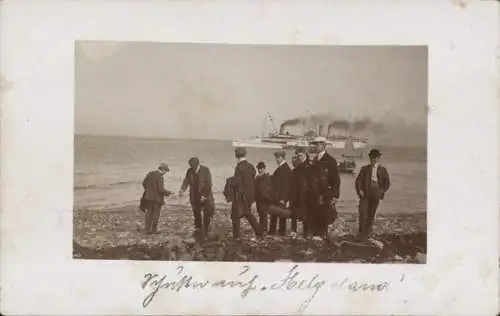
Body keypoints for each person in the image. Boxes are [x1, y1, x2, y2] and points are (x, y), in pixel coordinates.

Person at [355, 148, 391, 241]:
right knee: (363, 213)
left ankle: (367, 233)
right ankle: (361, 232)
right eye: (372, 158)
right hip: (366, 193)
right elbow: (358, 181)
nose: (374, 159)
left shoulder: (383, 170)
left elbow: (387, 183)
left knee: (371, 214)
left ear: (378, 158)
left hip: (376, 193)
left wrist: (382, 191)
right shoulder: (365, 169)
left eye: (376, 158)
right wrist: (360, 190)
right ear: (370, 158)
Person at [230, 147, 263, 240]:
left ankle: (237, 237)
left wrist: (230, 181)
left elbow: (237, 182)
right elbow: (251, 177)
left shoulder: (239, 168)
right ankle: (259, 232)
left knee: (235, 216)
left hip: (241, 196)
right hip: (250, 195)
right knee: (247, 213)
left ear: (236, 155)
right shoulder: (251, 166)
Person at [311, 136, 341, 237]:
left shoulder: (330, 161)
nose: (315, 146)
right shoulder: (315, 160)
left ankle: (323, 236)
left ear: (323, 145)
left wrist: (335, 196)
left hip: (325, 193)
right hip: (315, 193)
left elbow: (335, 180)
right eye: (315, 144)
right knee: (316, 215)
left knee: (324, 216)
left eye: (317, 144)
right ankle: (317, 236)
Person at [179, 157, 215, 239]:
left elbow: (209, 184)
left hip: (205, 195)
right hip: (194, 196)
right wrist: (182, 189)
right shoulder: (189, 171)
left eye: (195, 167)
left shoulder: (205, 170)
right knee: (196, 212)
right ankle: (198, 228)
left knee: (207, 213)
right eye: (192, 166)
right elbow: (186, 181)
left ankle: (206, 229)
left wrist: (204, 196)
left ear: (198, 164)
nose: (193, 168)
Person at [140, 163, 173, 234]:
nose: (165, 173)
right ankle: (154, 230)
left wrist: (149, 190)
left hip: (148, 197)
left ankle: (147, 230)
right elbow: (161, 190)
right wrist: (169, 192)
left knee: (148, 213)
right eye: (166, 171)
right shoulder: (160, 177)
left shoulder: (150, 174)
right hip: (157, 199)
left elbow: (144, 183)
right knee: (156, 214)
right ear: (163, 170)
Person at [269, 150, 292, 236]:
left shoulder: (285, 168)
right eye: (276, 157)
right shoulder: (283, 168)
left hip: (280, 196)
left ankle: (279, 231)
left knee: (281, 214)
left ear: (281, 158)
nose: (276, 159)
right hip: (277, 195)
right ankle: (274, 231)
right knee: (276, 213)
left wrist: (284, 198)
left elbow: (287, 185)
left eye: (277, 158)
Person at [289, 150, 309, 236]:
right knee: (295, 214)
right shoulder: (297, 170)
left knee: (304, 215)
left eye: (300, 155)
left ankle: (305, 233)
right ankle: (295, 231)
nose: (299, 157)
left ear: (305, 155)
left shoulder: (307, 167)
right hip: (296, 195)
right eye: (298, 156)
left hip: (303, 195)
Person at [254, 162, 273, 234]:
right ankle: (262, 229)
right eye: (258, 168)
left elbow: (269, 189)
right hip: (259, 200)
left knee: (263, 215)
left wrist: (268, 198)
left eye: (261, 168)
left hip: (264, 200)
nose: (259, 170)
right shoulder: (257, 178)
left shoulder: (267, 177)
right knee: (260, 214)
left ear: (264, 169)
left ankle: (264, 229)